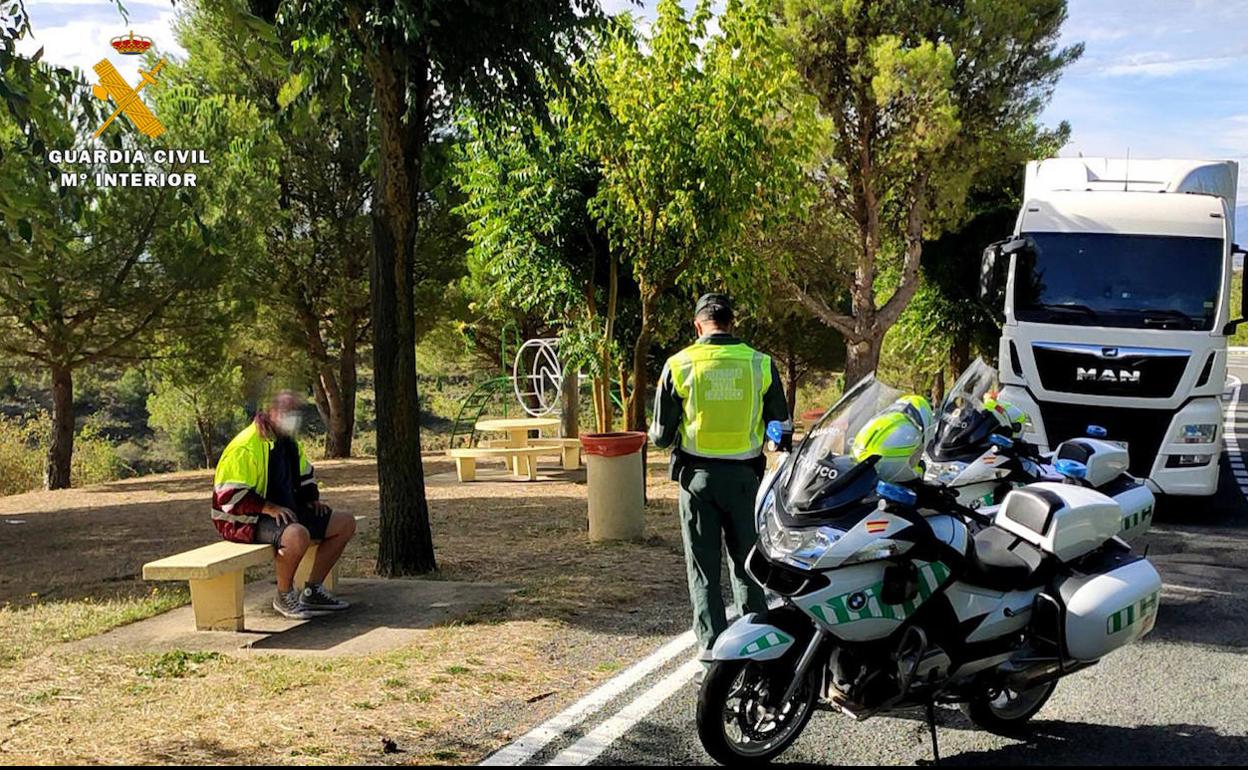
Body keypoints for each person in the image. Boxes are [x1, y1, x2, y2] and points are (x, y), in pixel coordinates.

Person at [649, 293, 790, 671]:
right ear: (731, 322)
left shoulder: (679, 365)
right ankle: (757, 645)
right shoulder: (760, 364)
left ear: (698, 326)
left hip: (697, 482)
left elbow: (661, 435)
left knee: (704, 568)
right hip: (746, 480)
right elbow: (781, 428)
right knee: (748, 565)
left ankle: (712, 654)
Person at [211, 390, 357, 619]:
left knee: (344, 523)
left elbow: (305, 474)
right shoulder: (245, 446)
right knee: (297, 535)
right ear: (271, 411)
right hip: (244, 519)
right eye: (287, 411)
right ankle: (284, 595)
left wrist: (311, 499)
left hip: (285, 511)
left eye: (295, 411)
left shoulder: (288, 442)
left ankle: (313, 591)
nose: (293, 416)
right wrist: (267, 507)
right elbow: (229, 496)